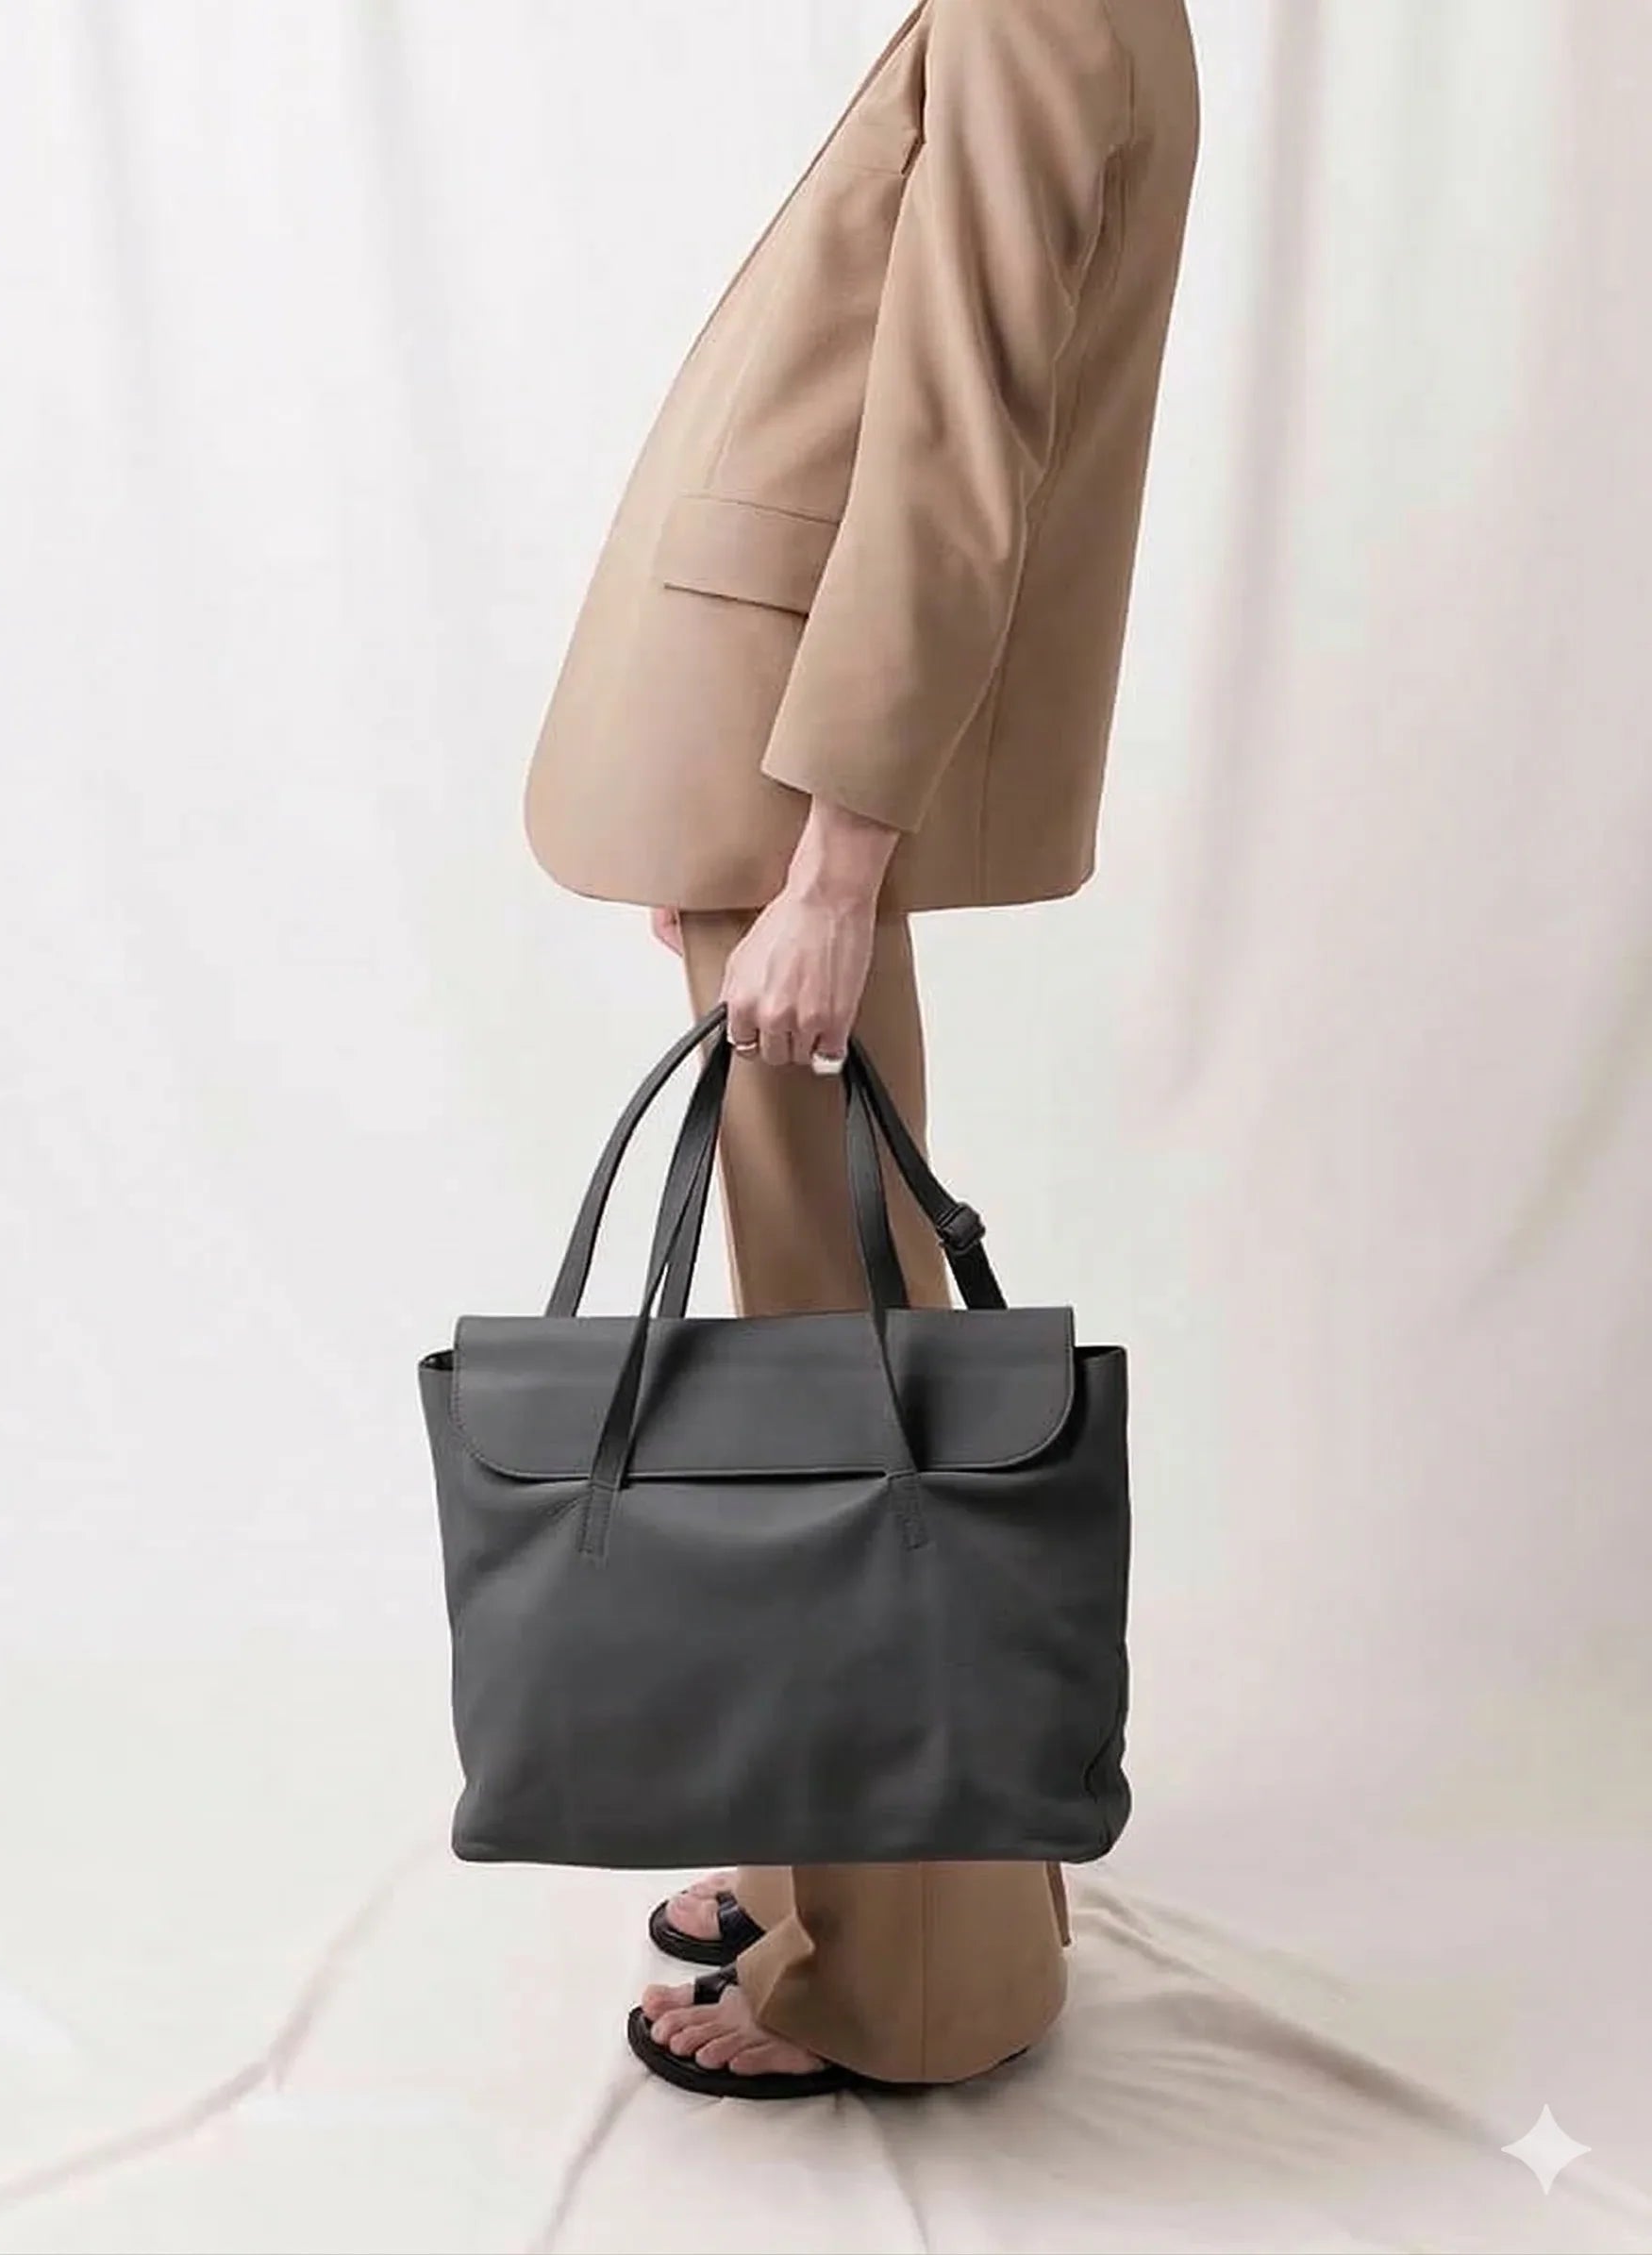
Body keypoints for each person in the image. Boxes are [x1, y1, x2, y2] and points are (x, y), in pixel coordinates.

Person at [522, 0, 1198, 2096]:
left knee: (846, 1347)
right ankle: (855, 1846)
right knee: (842, 1310)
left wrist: (831, 855)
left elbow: (955, 428)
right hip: (784, 734)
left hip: (815, 746)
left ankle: (906, 1964)